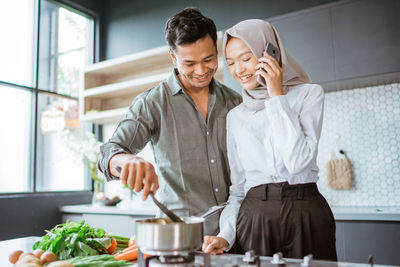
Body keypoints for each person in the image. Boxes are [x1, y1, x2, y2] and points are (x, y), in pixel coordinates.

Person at [97, 7, 241, 235]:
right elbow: (107, 154)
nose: (202, 70)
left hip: (234, 233)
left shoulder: (235, 102)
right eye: (189, 63)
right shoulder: (152, 103)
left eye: (209, 59)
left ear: (217, 49)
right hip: (179, 236)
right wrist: (125, 161)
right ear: (173, 57)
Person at [202, 19, 337, 261]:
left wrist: (276, 96)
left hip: (306, 213)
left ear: (269, 53)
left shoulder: (309, 94)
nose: (239, 70)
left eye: (246, 58)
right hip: (255, 217)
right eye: (231, 63)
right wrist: (225, 235)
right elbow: (239, 190)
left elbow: (297, 162)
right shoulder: (235, 117)